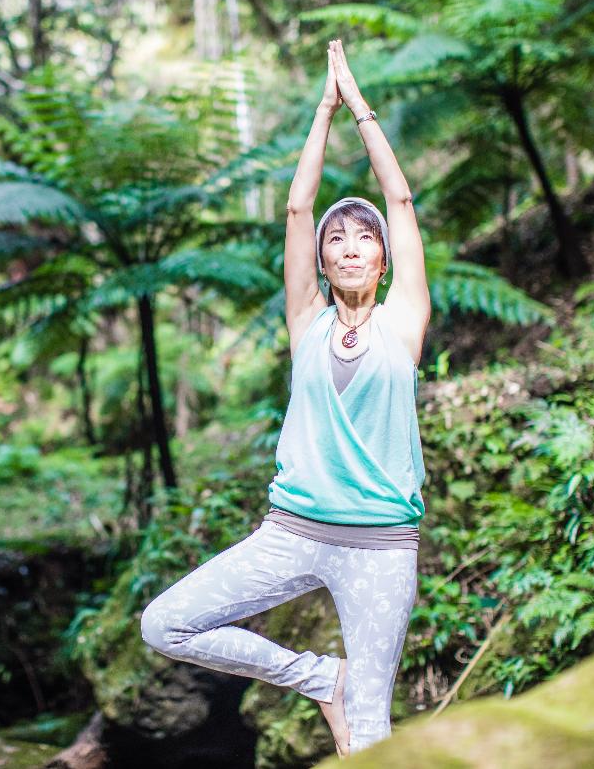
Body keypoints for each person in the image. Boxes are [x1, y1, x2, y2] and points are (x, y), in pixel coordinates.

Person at [140, 38, 430, 757]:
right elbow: (299, 208)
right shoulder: (307, 321)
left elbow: (399, 196)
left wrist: (360, 106)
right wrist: (322, 109)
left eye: (366, 238)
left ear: (385, 256)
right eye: (340, 239)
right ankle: (317, 677)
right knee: (165, 623)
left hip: (381, 546)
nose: (352, 245)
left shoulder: (404, 320)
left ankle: (348, 695)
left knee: (369, 738)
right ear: (325, 260)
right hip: (293, 530)